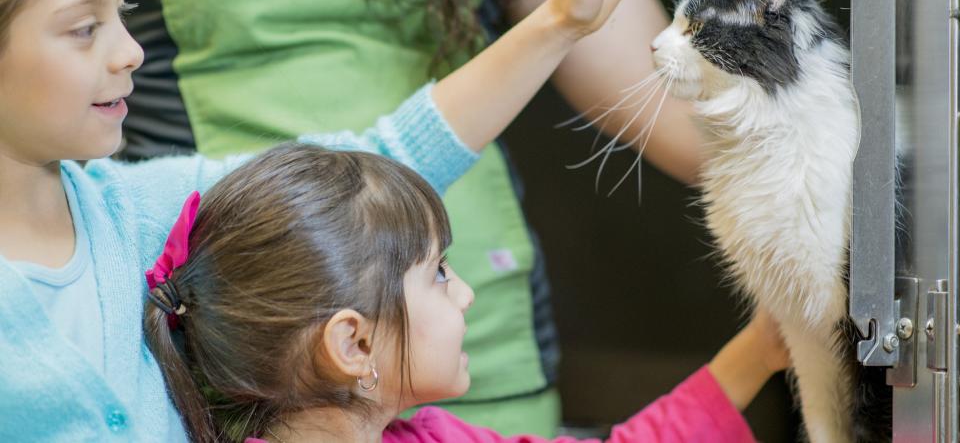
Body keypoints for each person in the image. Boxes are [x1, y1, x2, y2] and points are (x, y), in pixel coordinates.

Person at [0, 0, 666, 440]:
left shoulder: (134, 210)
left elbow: (386, 155)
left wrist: (560, 21)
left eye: (124, 14)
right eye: (85, 28)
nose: (130, 51)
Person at [144, 144, 790, 443]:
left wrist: (760, 349)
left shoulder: (428, 435)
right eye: (440, 275)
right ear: (353, 341)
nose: (467, 296)